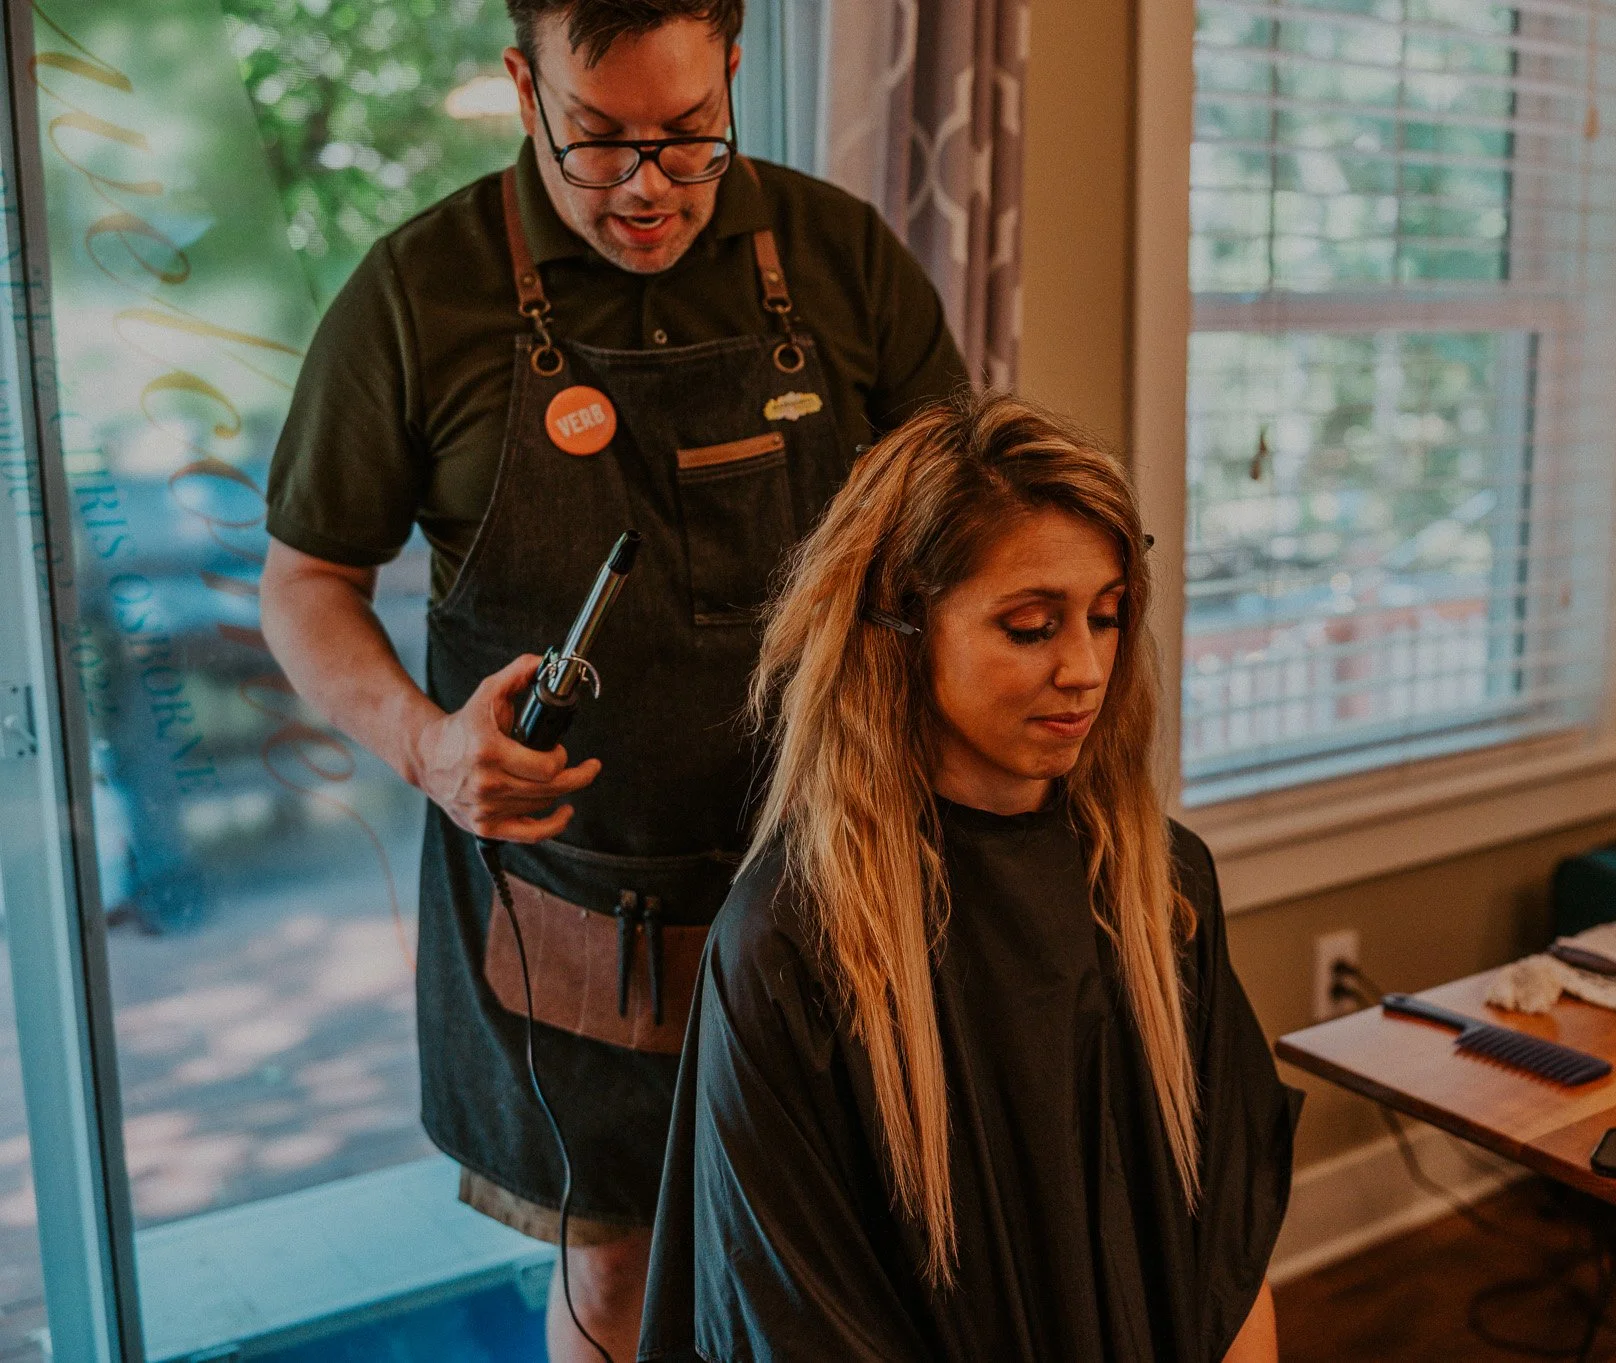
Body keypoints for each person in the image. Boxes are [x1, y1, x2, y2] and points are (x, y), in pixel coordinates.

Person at [256, 0, 967, 1356]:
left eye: (689, 136)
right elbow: (301, 584)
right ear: (525, 85)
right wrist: (425, 745)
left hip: (832, 883)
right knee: (618, 1279)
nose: (646, 186)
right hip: (576, 922)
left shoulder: (837, 258)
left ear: (735, 76)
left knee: (852, 1260)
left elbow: (958, 525)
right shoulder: (421, 293)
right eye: (597, 141)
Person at [639, 393, 1302, 1362]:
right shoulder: (791, 937)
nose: (1084, 667)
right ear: (899, 628)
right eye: (1030, 627)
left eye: (1107, 617)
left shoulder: (1158, 888)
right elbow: (795, 1322)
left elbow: (1228, 1267)